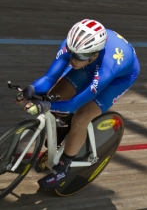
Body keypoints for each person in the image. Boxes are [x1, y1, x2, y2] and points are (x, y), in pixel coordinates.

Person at [15, 19, 140, 190]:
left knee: (81, 117)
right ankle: (63, 134)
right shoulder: (76, 48)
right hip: (88, 63)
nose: (72, 59)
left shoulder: (107, 68)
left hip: (118, 78)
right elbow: (49, 78)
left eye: (77, 56)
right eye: (71, 53)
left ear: (94, 55)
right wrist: (30, 89)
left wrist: (47, 106)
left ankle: (63, 168)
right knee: (54, 96)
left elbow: (75, 104)